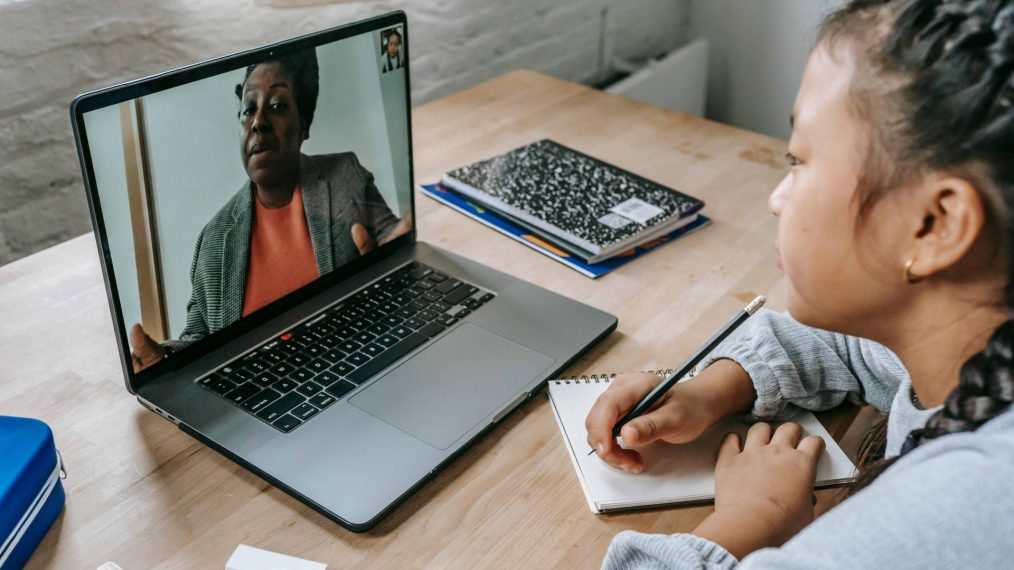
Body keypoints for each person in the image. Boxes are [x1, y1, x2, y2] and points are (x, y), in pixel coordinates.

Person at [588, 0, 1014, 567]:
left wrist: (754, 516)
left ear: (935, 225)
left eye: (800, 160)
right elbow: (859, 347)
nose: (776, 199)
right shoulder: (976, 341)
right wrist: (710, 390)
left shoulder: (965, 513)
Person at [129, 48, 410, 372]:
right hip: (256, 397)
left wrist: (400, 254)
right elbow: (198, 340)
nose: (258, 123)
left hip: (356, 364)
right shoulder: (214, 238)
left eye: (277, 106)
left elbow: (391, 237)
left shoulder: (345, 175)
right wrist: (165, 361)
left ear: (303, 125)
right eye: (248, 110)